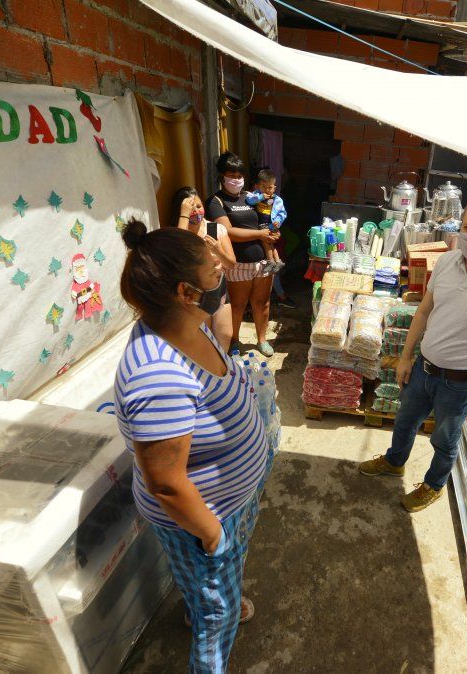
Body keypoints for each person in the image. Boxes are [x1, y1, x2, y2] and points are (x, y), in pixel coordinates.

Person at [114, 221, 269, 673]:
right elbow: (165, 484)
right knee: (215, 618)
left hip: (226, 504)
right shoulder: (157, 376)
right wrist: (213, 534)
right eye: (212, 270)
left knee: (215, 590)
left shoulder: (189, 323)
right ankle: (210, 616)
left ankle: (208, 596)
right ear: (185, 291)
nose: (221, 271)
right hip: (201, 518)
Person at [359, 194, 467, 512]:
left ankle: (434, 485)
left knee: (445, 440)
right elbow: (423, 312)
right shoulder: (448, 261)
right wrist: (406, 357)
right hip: (423, 369)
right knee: (404, 421)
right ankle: (395, 462)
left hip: (458, 384)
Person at [206, 152, 278, 358]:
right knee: (237, 305)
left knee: (262, 301)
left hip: (263, 260)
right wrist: (260, 234)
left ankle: (262, 340)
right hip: (237, 263)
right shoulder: (215, 202)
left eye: (239, 175)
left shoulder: (251, 197)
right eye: (231, 175)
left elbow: (267, 218)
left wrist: (273, 231)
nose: (236, 180)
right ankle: (234, 340)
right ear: (222, 176)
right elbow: (228, 232)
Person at [170, 185, 235, 351]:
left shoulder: (215, 229)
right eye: (191, 208)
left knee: (225, 336)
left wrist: (217, 251)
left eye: (199, 206)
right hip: (194, 297)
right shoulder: (176, 233)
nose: (196, 211)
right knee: (204, 343)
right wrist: (183, 216)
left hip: (218, 291)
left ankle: (224, 372)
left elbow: (231, 263)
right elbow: (176, 252)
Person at [244, 168, 286, 274]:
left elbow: (282, 213)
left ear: (274, 187)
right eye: (264, 187)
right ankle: (276, 261)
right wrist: (260, 197)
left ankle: (272, 261)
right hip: (262, 224)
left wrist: (278, 221)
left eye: (270, 187)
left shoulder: (277, 200)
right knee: (268, 243)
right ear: (258, 186)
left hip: (272, 225)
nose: (267, 190)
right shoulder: (256, 195)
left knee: (270, 243)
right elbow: (249, 200)